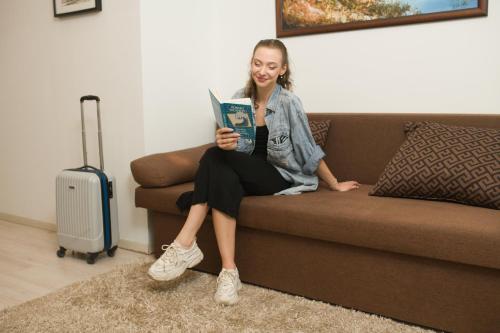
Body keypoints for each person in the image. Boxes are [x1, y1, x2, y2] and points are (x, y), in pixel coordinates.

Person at [147, 39, 360, 305]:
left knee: (213, 155)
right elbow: (235, 147)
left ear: (282, 70)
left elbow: (308, 148)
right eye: (258, 63)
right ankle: (229, 272)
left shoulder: (289, 103)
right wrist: (225, 141)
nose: (263, 71)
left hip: (278, 175)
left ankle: (184, 243)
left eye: (271, 66)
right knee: (222, 171)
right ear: (251, 63)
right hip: (244, 171)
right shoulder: (239, 98)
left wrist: (334, 183)